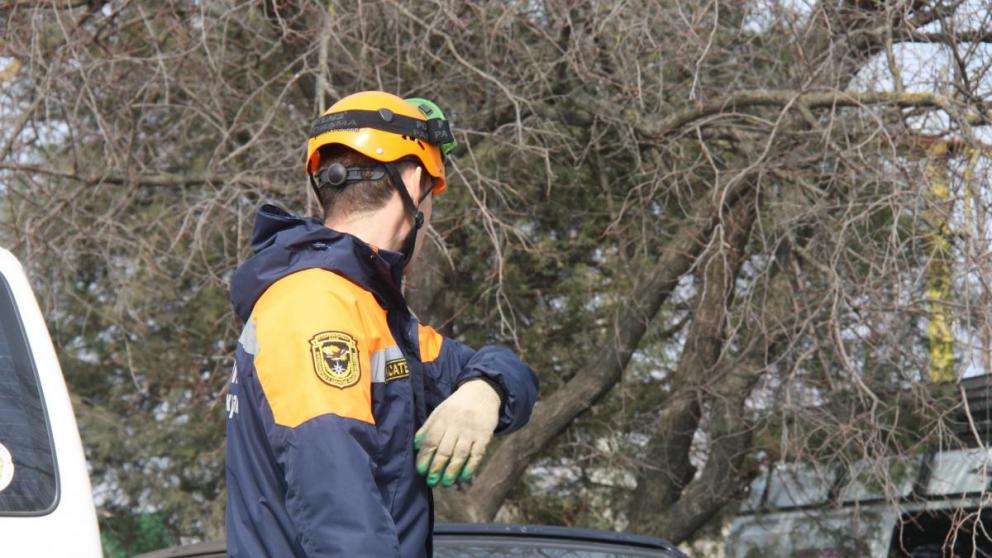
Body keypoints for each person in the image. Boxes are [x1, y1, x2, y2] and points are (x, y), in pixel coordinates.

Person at [224, 91, 539, 558]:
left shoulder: (373, 315)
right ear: (414, 185)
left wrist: (483, 391)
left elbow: (502, 369)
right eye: (432, 197)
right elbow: (341, 519)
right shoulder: (316, 307)